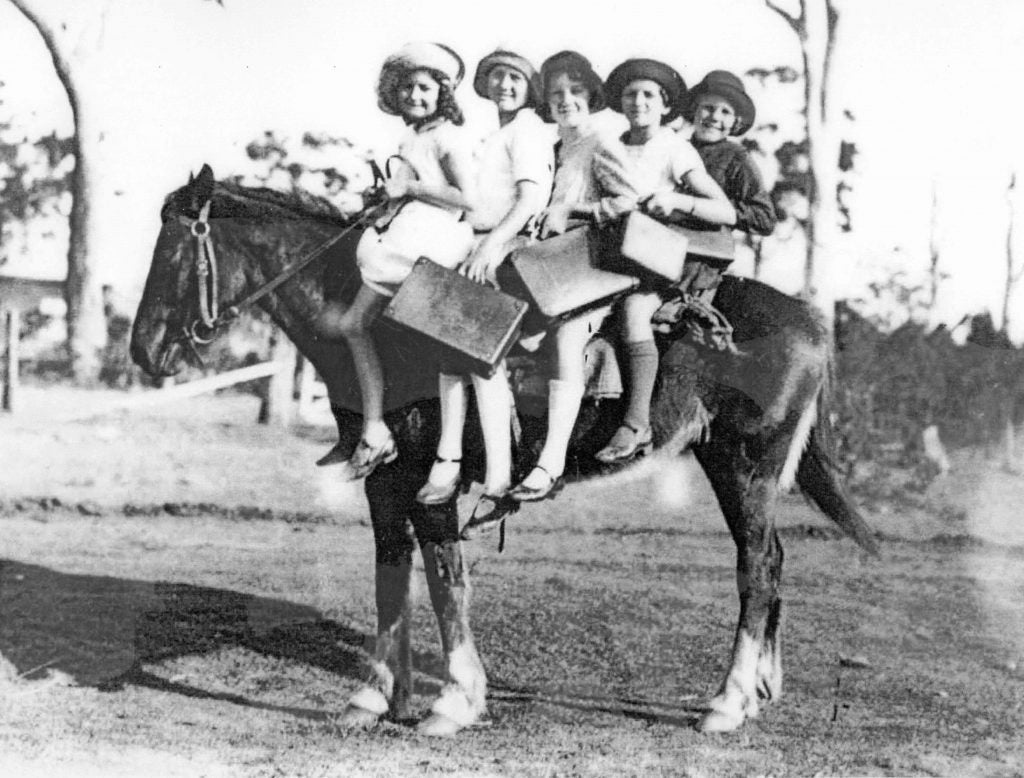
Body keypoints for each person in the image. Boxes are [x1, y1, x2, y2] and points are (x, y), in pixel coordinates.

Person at [315, 42, 476, 480]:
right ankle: (374, 427)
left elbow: (469, 200)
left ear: (441, 92)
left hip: (435, 239)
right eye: (406, 89)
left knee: (416, 341)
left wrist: (411, 190)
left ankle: (442, 443)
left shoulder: (449, 137)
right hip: (402, 233)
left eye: (423, 88)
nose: (415, 96)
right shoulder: (410, 138)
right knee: (352, 324)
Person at [415, 49, 553, 523]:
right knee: (449, 358)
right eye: (497, 76)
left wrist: (492, 248)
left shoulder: (528, 129)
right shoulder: (495, 131)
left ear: (529, 86)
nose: (505, 85)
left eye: (515, 77)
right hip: (473, 244)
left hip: (504, 249)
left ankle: (495, 477)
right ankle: (448, 460)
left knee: (479, 361)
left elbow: (531, 196)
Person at [506, 50, 640, 502]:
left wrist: (573, 209)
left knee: (567, 339)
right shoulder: (552, 148)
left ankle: (552, 461)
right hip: (546, 270)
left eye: (575, 91)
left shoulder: (601, 143)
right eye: (556, 93)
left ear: (591, 96)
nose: (565, 100)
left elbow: (629, 201)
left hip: (589, 272)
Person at [594, 59, 735, 464]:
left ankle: (636, 423)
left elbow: (724, 211)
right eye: (630, 94)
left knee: (636, 310)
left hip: (654, 264)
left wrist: (677, 200)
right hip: (605, 256)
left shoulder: (674, 148)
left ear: (664, 103)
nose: (638, 102)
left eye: (648, 95)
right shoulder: (608, 146)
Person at [682, 70, 776, 237]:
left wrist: (718, 209)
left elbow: (765, 218)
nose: (715, 117)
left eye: (725, 112)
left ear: (735, 122)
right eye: (708, 108)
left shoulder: (736, 157)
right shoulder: (675, 148)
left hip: (704, 254)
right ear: (694, 110)